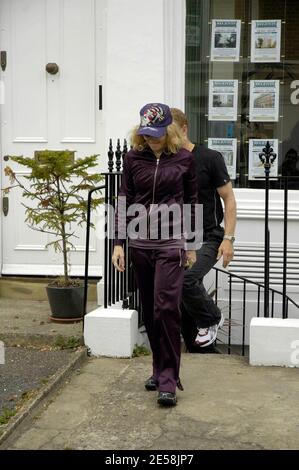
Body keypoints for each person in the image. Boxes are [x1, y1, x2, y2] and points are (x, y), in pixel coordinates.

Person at [112, 103, 198, 406]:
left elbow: (191, 201)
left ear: (170, 130)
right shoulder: (133, 158)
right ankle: (159, 368)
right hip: (140, 243)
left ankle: (168, 381)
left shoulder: (185, 159)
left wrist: (191, 245)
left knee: (166, 309)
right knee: (149, 310)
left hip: (171, 242)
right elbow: (124, 198)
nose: (152, 140)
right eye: (146, 135)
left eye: (157, 135)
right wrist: (118, 243)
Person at [171, 108, 237, 352]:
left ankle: (211, 318)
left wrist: (228, 239)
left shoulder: (210, 158)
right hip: (177, 239)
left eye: (173, 134)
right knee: (178, 296)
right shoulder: (166, 161)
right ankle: (198, 349)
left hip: (208, 237)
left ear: (185, 129)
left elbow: (229, 199)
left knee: (187, 280)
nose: (170, 141)